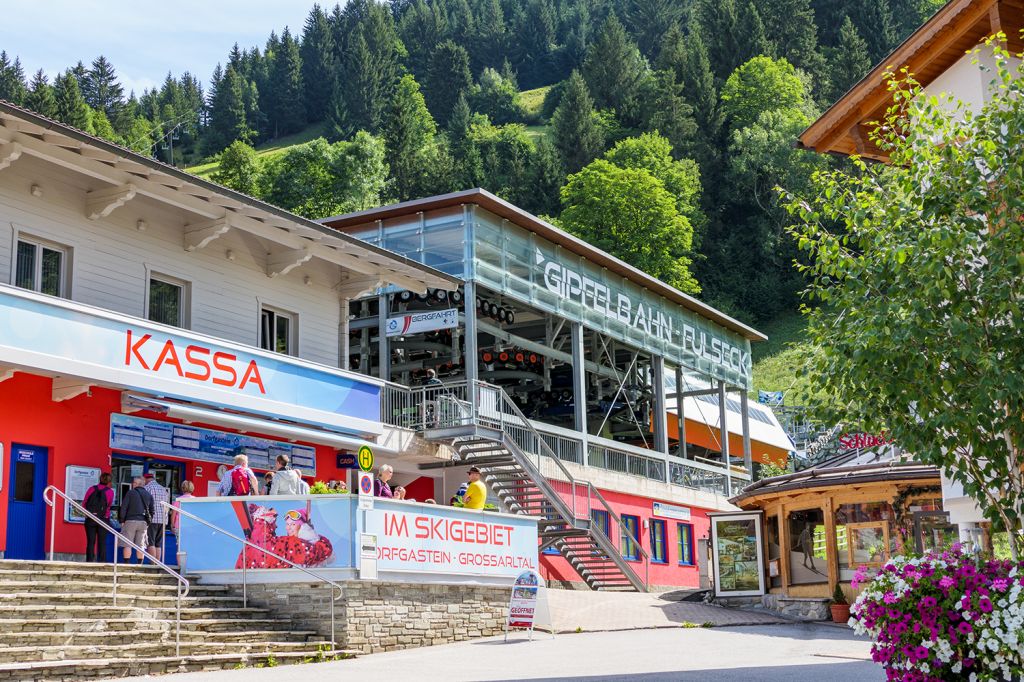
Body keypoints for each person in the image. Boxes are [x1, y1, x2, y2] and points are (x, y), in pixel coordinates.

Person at [118, 477, 153, 564]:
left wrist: (122, 520)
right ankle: (139, 564)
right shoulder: (148, 495)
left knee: (127, 544)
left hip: (130, 521)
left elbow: (124, 507)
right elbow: (152, 511)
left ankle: (127, 564)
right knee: (141, 545)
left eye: (134, 482)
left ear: (137, 484)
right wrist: (148, 522)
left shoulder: (130, 493)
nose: (133, 484)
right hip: (143, 522)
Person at [82, 473, 114, 563]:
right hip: (103, 518)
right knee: (102, 542)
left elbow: (84, 502)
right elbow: (109, 505)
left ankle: (89, 561)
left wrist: (87, 513)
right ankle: (102, 561)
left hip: (90, 518)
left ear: (100, 479)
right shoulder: (110, 492)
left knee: (90, 541)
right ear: (109, 481)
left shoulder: (91, 489)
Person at [143, 473, 170, 561]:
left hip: (152, 519)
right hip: (163, 520)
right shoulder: (163, 489)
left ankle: (153, 564)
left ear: (146, 479)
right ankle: (158, 564)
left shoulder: (147, 488)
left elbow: (145, 504)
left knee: (151, 543)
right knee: (158, 543)